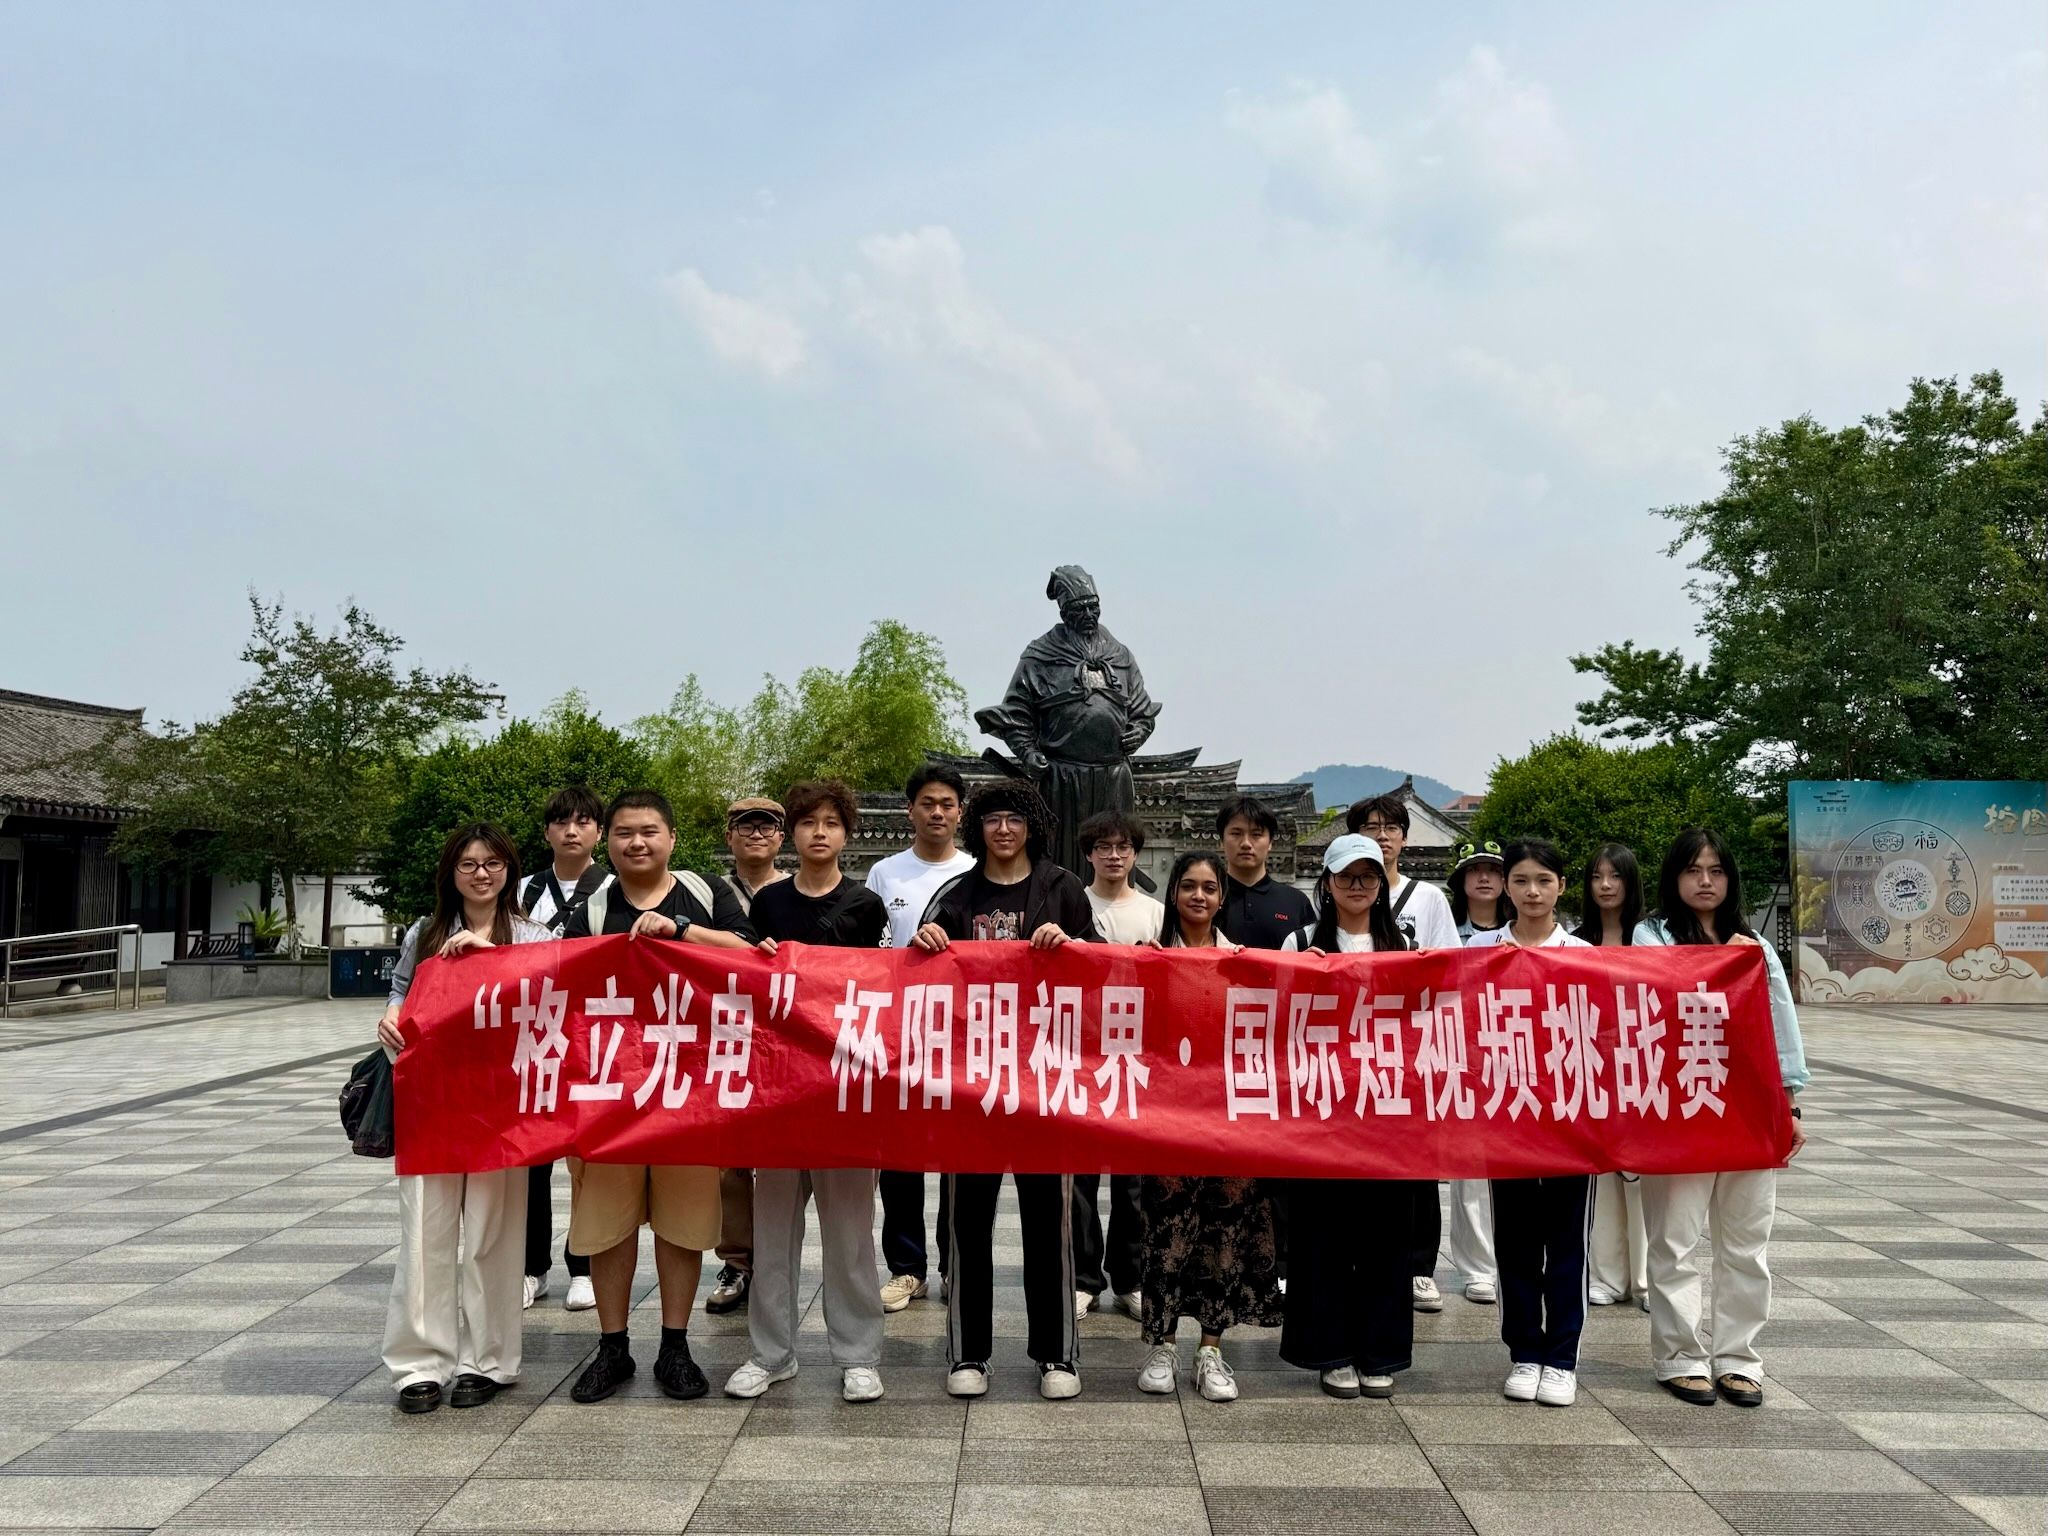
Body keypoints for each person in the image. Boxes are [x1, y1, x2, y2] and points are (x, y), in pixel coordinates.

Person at [558, 790, 761, 1405]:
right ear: (608, 842)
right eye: (624, 832)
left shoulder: (705, 894)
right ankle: (612, 1347)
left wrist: (682, 932)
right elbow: (553, 979)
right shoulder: (593, 907)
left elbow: (755, 958)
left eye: (649, 831)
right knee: (608, 1228)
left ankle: (675, 1345)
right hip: (610, 1099)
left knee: (682, 1225)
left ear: (671, 838)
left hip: (687, 1094)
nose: (637, 842)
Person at [911, 778, 1101, 1400]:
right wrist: (924, 943)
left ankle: (1056, 1356)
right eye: (992, 818)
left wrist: (1072, 945)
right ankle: (968, 1354)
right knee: (967, 1222)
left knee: (1050, 1223)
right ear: (977, 827)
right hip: (973, 1088)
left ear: (1032, 826)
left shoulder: (1063, 889)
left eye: (1015, 819)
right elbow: (915, 977)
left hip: (1045, 1083)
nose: (1003, 829)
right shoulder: (956, 895)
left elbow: (1102, 967)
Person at [723, 781, 890, 1404]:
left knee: (850, 1235)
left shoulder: (867, 906)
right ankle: (770, 1353)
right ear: (791, 833)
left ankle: (858, 1354)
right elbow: (745, 987)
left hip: (847, 1090)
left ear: (847, 834)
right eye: (808, 822)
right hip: (781, 1091)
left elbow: (884, 990)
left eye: (831, 822)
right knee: (772, 1232)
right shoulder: (768, 904)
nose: (820, 832)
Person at [378, 824, 551, 1413]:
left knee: (492, 1234)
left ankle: (489, 1360)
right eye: (469, 864)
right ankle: (418, 1365)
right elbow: (402, 988)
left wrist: (492, 959)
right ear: (450, 873)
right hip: (432, 1102)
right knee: (424, 1232)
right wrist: (391, 1015)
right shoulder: (424, 933)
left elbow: (550, 1002)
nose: (482, 874)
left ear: (510, 870)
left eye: (493, 862)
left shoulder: (532, 935)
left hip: (501, 1106)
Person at [1634, 828, 1809, 1409]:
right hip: (1680, 1107)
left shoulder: (1755, 943)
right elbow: (1659, 997)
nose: (1705, 881)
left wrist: (1790, 1103)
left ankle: (1738, 1358)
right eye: (1693, 870)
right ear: (1674, 878)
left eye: (1716, 870)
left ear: (1730, 879)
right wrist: (1725, 963)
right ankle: (1680, 1356)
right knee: (1674, 1239)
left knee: (1746, 1241)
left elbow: (1780, 1023)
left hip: (1749, 1109)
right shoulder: (1651, 934)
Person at [1133, 850, 1281, 1404]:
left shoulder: (1242, 963)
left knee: (1225, 1230)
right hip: (1166, 1119)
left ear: (1222, 898)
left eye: (1210, 888)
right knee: (1166, 1231)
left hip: (1229, 1118)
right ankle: (1163, 1345)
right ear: (1173, 893)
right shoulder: (1149, 959)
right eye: (1189, 886)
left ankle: (1211, 1350)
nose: (1199, 896)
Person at [1276, 834, 1419, 1399]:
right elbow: (1274, 1016)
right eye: (1346, 876)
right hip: (1322, 1111)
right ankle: (1329, 1350)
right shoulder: (1300, 941)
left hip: (1387, 1112)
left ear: (1381, 884)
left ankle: (1380, 1351)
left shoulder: (1405, 946)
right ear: (1328, 883)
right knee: (1323, 1235)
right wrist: (1298, 975)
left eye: (1368, 876)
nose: (1357, 886)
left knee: (1386, 1236)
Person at [1350, 797, 1490, 1311]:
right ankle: (1359, 1260)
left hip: (1413, 1046)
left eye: (1392, 827)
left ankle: (1418, 1267)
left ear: (1405, 838)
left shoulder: (1427, 898)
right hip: (1355, 1047)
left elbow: (1450, 969)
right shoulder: (1341, 893)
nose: (1382, 835)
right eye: (1371, 827)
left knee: (1418, 1163)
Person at [1466, 837, 1593, 1407]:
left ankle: (1561, 1357)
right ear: (1506, 887)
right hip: (1506, 1115)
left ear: (1561, 886)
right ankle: (1523, 1350)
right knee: (1514, 1240)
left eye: (1544, 880)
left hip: (1569, 1120)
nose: (1533, 891)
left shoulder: (1584, 954)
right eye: (1521, 881)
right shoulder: (1480, 950)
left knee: (1567, 1241)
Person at [865, 764, 976, 1313]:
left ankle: (956, 1263)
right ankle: (907, 1268)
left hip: (963, 1032)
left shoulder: (977, 871)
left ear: (961, 812)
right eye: (927, 803)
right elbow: (869, 950)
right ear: (909, 810)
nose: (937, 812)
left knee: (961, 1154)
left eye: (947, 804)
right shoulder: (885, 873)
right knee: (900, 1155)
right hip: (900, 1031)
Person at [973, 564, 1162, 877]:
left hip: (1114, 775)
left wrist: (1139, 730)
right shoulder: (1040, 654)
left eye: (1093, 606)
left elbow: (1142, 710)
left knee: (1114, 852)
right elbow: (1017, 712)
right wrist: (1028, 753)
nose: (1088, 614)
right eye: (1079, 608)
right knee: (1060, 857)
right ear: (1063, 612)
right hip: (1061, 778)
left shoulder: (1120, 655)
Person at [515, 787, 607, 1314]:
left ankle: (585, 1266)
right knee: (532, 1158)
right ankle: (532, 1267)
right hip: (535, 1033)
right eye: (562, 823)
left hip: (591, 1036)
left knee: (586, 1159)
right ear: (547, 832)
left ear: (598, 831)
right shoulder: (522, 889)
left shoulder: (613, 887)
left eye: (583, 822)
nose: (572, 831)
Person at [1071, 808, 1160, 1322]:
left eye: (1123, 847)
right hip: (1082, 1051)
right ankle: (1084, 1279)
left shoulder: (1155, 913)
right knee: (1079, 1175)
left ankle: (1130, 1278)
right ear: (1088, 854)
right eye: (1102, 847)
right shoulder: (1070, 905)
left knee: (1134, 1178)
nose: (1113, 855)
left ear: (1135, 854)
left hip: (1138, 1054)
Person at [703, 796, 789, 1318]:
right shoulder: (709, 892)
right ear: (729, 836)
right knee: (729, 1164)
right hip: (728, 1037)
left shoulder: (798, 890)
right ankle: (737, 1261)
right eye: (745, 826)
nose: (756, 834)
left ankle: (776, 1262)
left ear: (781, 837)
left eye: (767, 827)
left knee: (783, 1164)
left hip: (788, 1042)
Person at [1575, 842, 1649, 1309]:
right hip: (1590, 1068)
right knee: (1599, 1174)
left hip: (1642, 1066)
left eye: (1615, 876)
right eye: (1597, 876)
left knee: (1641, 1176)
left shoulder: (1652, 938)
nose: (1605, 885)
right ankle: (1606, 1276)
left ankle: (1644, 1280)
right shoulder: (1574, 942)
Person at [1216, 796, 1315, 951]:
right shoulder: (1206, 901)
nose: (1246, 843)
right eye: (1236, 833)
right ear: (1221, 840)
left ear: (1270, 842)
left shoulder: (1296, 903)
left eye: (1256, 834)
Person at [1447, 839, 1510, 942]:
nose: (1484, 878)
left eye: (1493, 870)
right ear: (1461, 879)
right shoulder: (1444, 932)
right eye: (1473, 870)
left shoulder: (1521, 932)